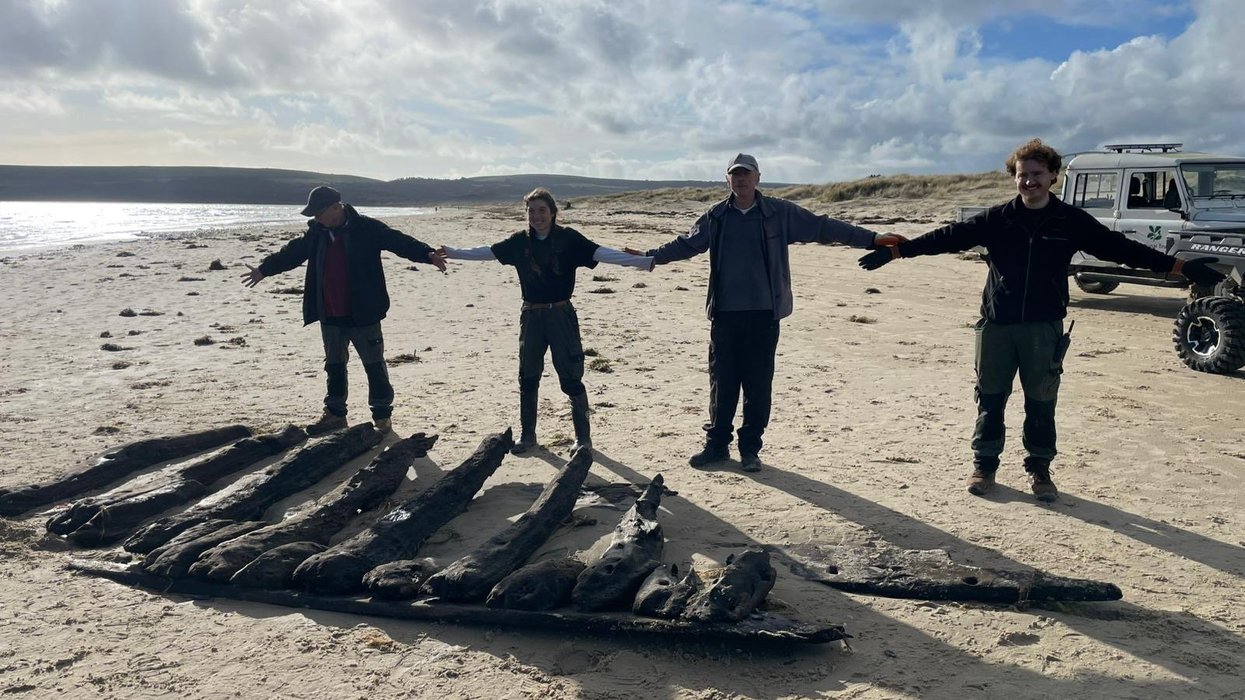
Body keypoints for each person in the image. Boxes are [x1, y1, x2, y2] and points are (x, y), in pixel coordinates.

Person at [858, 138, 1224, 502]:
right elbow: (948, 237)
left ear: (1052, 176)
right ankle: (984, 466)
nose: (1029, 181)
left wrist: (1178, 267)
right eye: (1022, 175)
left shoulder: (1069, 221)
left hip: (1043, 327)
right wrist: (896, 252)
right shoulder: (998, 219)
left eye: (1036, 174)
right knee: (990, 398)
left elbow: (1122, 249)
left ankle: (1040, 469)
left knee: (1041, 401)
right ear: (1014, 178)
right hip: (997, 325)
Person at [627, 153, 905, 473]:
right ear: (727, 179)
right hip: (725, 315)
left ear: (758, 178)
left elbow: (822, 227)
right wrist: (649, 257)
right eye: (735, 175)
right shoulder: (716, 216)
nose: (741, 179)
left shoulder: (778, 213)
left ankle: (750, 449)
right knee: (723, 382)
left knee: (758, 384)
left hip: (764, 314)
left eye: (747, 174)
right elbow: (687, 244)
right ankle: (717, 445)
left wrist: (870, 238)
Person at [437, 188, 653, 455]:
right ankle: (528, 437)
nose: (537, 216)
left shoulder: (569, 239)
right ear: (526, 214)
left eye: (542, 210)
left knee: (571, 376)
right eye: (532, 211)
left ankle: (583, 439)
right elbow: (488, 252)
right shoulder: (519, 242)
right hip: (531, 316)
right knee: (527, 376)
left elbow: (600, 253)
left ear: (553, 213)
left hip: (560, 314)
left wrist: (641, 261)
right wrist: (453, 252)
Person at [241, 185, 447, 435]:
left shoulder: (367, 228)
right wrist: (264, 270)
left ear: (336, 207)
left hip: (364, 313)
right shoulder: (317, 233)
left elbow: (398, 241)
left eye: (319, 212)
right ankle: (335, 414)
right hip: (329, 313)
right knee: (335, 366)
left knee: (374, 365)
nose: (315, 218)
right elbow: (292, 253)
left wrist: (426, 254)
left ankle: (382, 417)